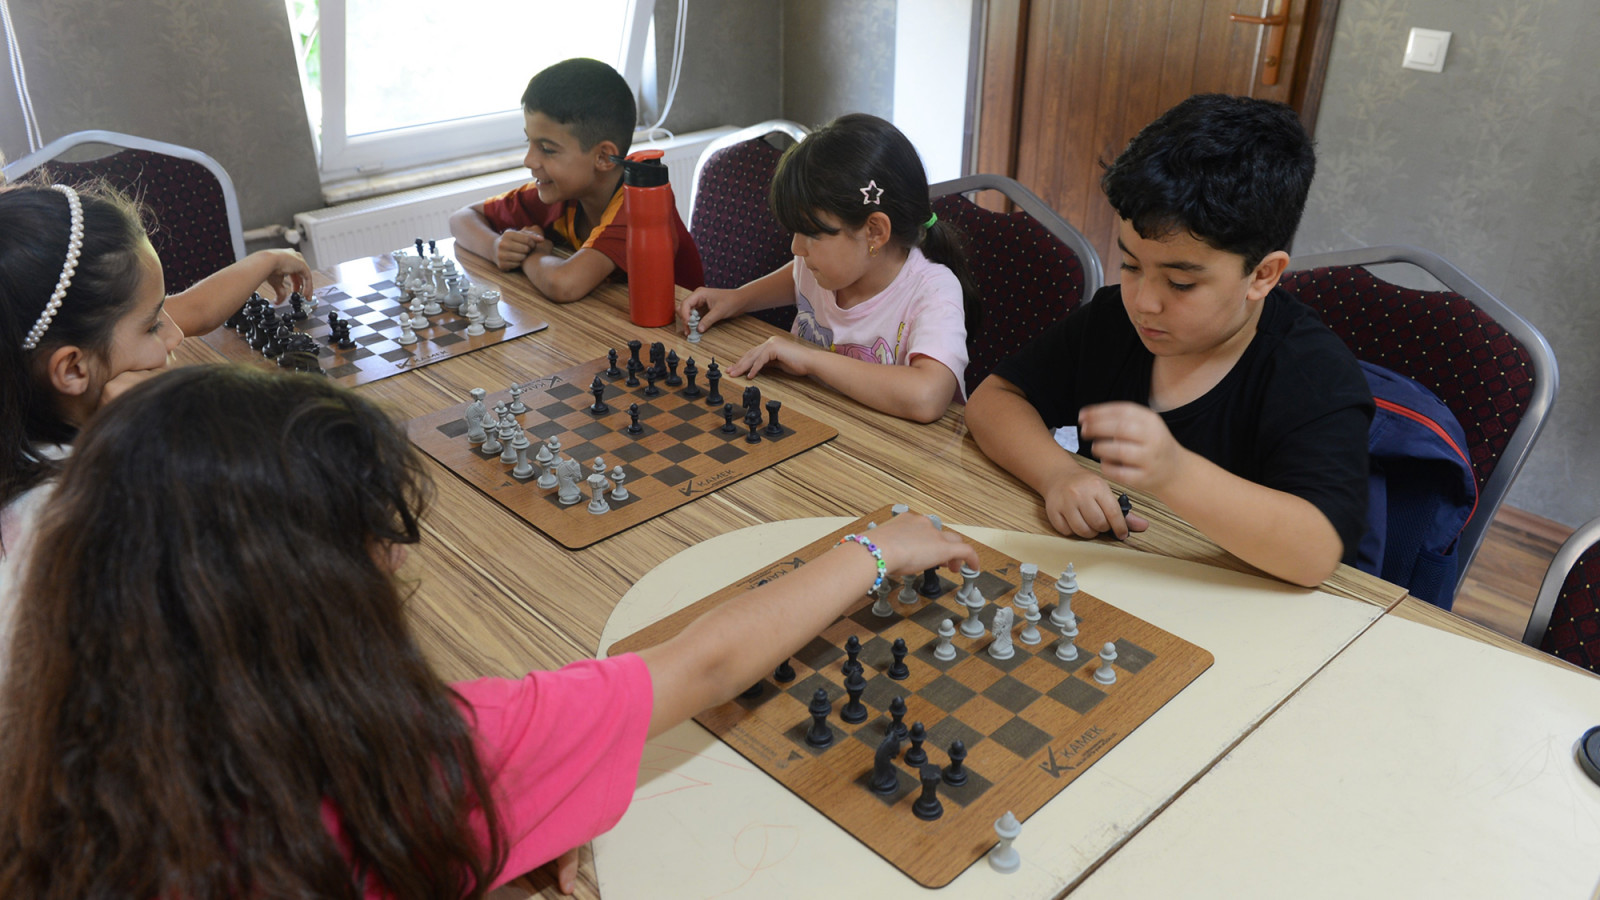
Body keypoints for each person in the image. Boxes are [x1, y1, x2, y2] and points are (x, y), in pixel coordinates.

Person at [0, 364, 977, 899]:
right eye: (379, 538)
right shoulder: (421, 764)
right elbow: (704, 663)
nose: (397, 559)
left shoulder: (48, 777)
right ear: (318, 593)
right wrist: (876, 548)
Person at [967, 94, 1373, 588]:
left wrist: (1174, 472)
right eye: (1130, 265)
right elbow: (995, 399)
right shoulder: (1113, 322)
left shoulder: (1312, 374)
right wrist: (1058, 474)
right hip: (1112, 585)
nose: (1144, 302)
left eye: (1181, 283)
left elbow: (1315, 556)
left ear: (1263, 275)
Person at [0, 180, 310, 630]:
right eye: (152, 326)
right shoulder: (102, 510)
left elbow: (189, 311)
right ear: (71, 369)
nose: (175, 333)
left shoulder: (24, 378)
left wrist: (264, 261)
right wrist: (150, 432)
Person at [676, 113, 979, 423]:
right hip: (815, 421)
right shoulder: (824, 266)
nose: (796, 248)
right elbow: (798, 276)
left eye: (811, 233)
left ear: (874, 232)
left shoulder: (934, 292)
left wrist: (811, 360)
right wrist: (738, 298)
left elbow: (927, 398)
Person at [449, 58, 705, 302]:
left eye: (547, 149)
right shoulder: (560, 192)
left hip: (683, 328)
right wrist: (496, 247)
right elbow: (461, 218)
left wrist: (532, 256)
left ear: (603, 157)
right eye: (529, 142)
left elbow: (564, 284)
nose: (529, 160)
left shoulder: (641, 205)